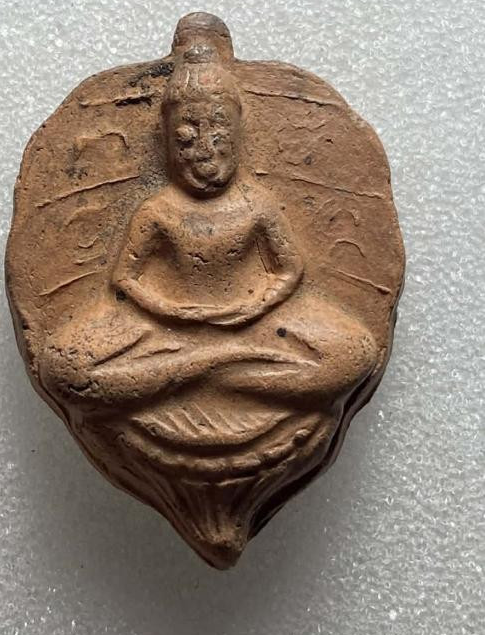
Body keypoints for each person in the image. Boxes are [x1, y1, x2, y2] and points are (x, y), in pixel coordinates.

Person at [39, 44, 377, 411]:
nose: (204, 153)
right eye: (185, 140)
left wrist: (257, 306)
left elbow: (290, 269)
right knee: (63, 365)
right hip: (163, 326)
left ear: (238, 140)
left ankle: (199, 373)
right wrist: (170, 311)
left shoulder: (258, 204)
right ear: (167, 145)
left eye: (219, 139)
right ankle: (220, 368)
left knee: (356, 352)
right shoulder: (156, 209)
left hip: (253, 322)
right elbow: (124, 278)